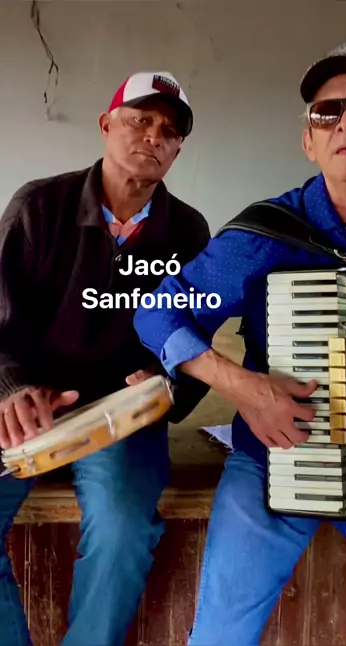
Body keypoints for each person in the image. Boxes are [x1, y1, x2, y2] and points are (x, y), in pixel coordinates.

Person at [134, 40, 346, 646]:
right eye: (327, 113)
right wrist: (242, 387)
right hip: (275, 464)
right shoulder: (267, 234)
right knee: (219, 635)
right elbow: (157, 310)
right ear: (309, 141)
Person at [0, 71, 210, 646]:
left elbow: (196, 343)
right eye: (139, 120)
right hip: (28, 412)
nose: (153, 136)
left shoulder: (188, 232)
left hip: (121, 419)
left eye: (169, 130)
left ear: (178, 149)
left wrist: (164, 387)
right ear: (106, 125)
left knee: (122, 530)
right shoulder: (38, 207)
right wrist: (12, 388)